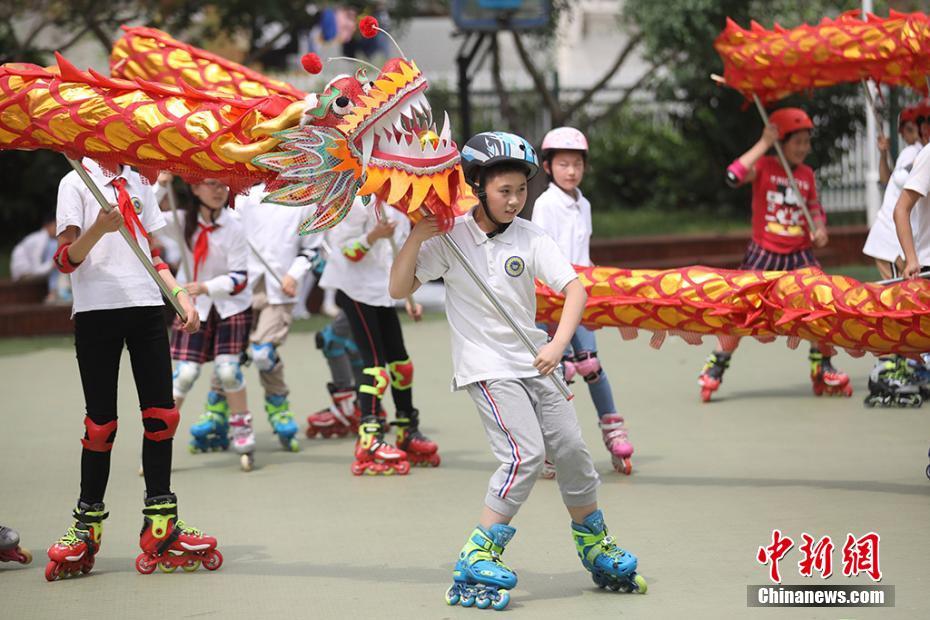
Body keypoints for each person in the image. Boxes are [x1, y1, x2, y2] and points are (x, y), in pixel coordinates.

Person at [390, 132, 646, 609]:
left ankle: (594, 542)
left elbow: (575, 291)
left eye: (521, 191)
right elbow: (397, 286)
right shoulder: (450, 237)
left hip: (537, 363)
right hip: (487, 368)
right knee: (524, 454)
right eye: (504, 191)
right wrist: (416, 236)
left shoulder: (532, 237)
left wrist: (559, 344)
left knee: (572, 451)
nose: (514, 200)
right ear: (479, 186)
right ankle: (478, 550)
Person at [46, 158, 220, 581]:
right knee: (101, 425)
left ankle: (160, 523)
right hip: (97, 311)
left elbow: (151, 251)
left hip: (145, 306)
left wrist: (180, 295)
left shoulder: (140, 181)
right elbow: (66, 260)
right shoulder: (75, 181)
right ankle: (87, 526)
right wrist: (98, 230)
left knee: (162, 417)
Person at [698, 108, 851, 402]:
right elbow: (734, 174)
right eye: (798, 142)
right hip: (764, 254)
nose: (804, 148)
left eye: (807, 142)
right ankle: (716, 366)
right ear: (782, 142)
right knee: (742, 311)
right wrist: (765, 142)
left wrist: (820, 229)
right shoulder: (765, 166)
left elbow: (815, 208)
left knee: (823, 301)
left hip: (799, 255)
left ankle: (823, 365)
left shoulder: (806, 174)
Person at [531, 127, 633, 476]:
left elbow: (584, 256)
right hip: (552, 299)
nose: (571, 171)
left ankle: (613, 429)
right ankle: (552, 444)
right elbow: (543, 255)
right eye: (563, 164)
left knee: (590, 364)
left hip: (582, 295)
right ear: (548, 167)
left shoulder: (583, 204)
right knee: (558, 373)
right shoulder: (545, 205)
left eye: (576, 164)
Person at [319, 196, 439, 473]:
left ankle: (407, 429)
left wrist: (409, 297)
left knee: (401, 366)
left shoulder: (399, 200)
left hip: (384, 292)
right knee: (375, 368)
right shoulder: (356, 202)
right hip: (357, 291)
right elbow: (346, 251)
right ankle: (369, 437)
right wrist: (373, 235)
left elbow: (398, 258)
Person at [167, 179, 255, 470]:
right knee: (185, 374)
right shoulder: (181, 221)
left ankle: (243, 433)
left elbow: (240, 277)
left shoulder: (235, 224)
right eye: (210, 185)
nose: (219, 191)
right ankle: (159, 438)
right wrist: (160, 185)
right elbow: (142, 218)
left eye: (223, 185)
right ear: (194, 188)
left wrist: (205, 286)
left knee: (229, 370)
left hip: (231, 306)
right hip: (194, 308)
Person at [863, 104, 924, 280]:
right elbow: (895, 180)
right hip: (893, 241)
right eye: (907, 128)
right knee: (900, 298)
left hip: (893, 237)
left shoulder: (914, 152)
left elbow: (888, 181)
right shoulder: (913, 152)